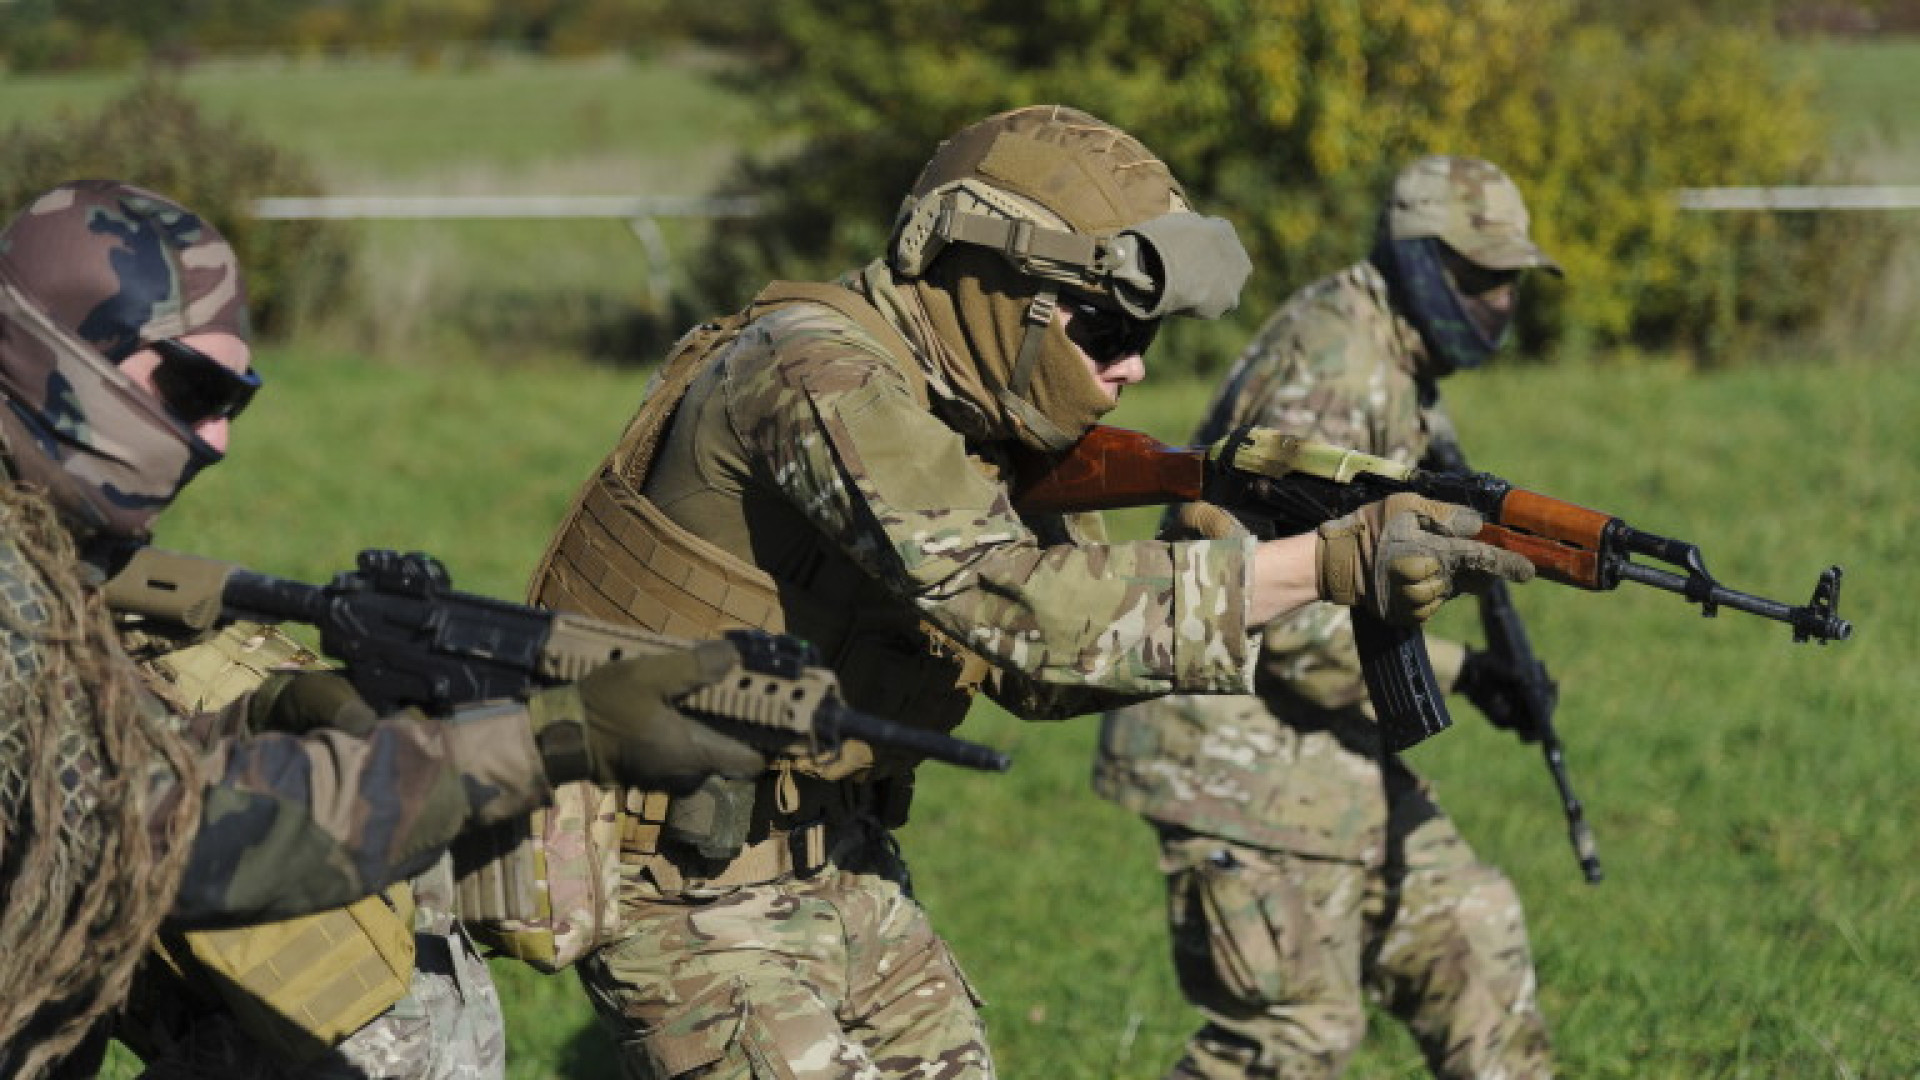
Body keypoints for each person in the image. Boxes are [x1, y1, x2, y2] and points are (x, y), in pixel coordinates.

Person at [522, 108, 1535, 1079]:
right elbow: (1010, 603)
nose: (1133, 367)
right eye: (1104, 329)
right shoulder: (813, 373)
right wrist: (1317, 567)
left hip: (840, 860)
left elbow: (1041, 682)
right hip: (687, 884)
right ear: (995, 286)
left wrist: (1213, 555)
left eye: (1149, 337)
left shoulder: (977, 411)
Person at [0, 179, 778, 1079]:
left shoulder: (42, 550)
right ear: (51, 349)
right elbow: (158, 843)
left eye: (233, 400)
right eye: (192, 387)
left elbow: (65, 782)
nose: (214, 439)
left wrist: (258, 721)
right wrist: (555, 736)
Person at [1092, 155, 1564, 1079]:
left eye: (1510, 281)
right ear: (1417, 260)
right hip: (1234, 754)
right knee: (1289, 1042)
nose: (1498, 302)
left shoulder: (1395, 360)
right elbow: (1278, 609)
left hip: (1324, 750)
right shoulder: (1331, 363)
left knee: (1471, 932)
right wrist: (1467, 673)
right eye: (1478, 277)